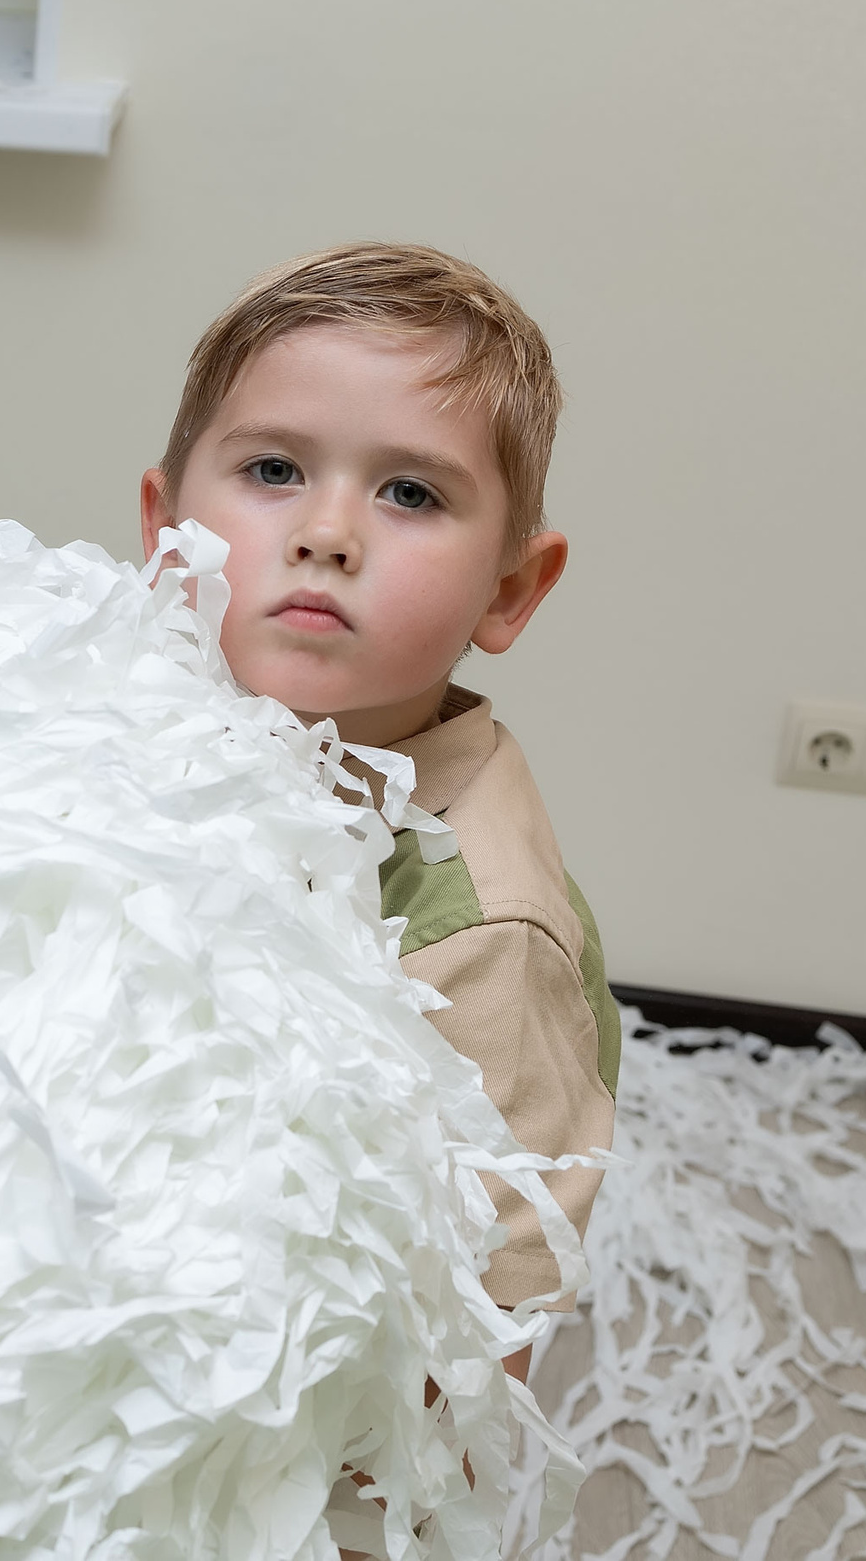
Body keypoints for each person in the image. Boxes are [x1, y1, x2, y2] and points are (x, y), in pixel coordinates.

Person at [138, 242, 619, 1376]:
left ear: (508, 590)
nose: (327, 533)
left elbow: (493, 1290)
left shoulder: (481, 930)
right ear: (165, 535)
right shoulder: (132, 716)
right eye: (271, 472)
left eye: (409, 493)